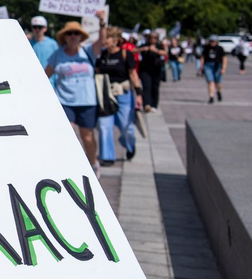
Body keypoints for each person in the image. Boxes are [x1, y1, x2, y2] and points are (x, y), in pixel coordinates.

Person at [46, 12, 106, 173]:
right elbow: (46, 75)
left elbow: (102, 41)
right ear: (64, 37)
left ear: (81, 36)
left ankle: (93, 163)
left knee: (87, 136)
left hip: (86, 101)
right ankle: (72, 165)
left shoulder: (88, 52)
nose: (73, 36)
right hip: (65, 101)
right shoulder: (57, 55)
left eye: (76, 33)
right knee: (69, 133)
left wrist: (102, 23)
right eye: (69, 33)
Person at [95, 26, 143, 165]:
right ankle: (108, 157)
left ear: (116, 40)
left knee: (125, 126)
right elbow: (97, 73)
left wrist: (139, 94)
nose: (105, 41)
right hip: (106, 94)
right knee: (105, 126)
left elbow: (133, 75)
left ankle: (129, 144)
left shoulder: (125, 54)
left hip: (123, 94)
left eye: (108, 38)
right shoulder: (101, 55)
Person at [136, 30, 167, 112]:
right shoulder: (144, 45)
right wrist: (143, 49)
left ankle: (154, 105)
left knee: (155, 87)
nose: (153, 39)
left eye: (155, 38)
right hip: (145, 69)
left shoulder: (159, 46)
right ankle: (147, 104)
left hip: (156, 69)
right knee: (146, 86)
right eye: (151, 37)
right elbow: (133, 50)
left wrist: (156, 51)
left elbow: (165, 53)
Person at [199, 36, 227, 104]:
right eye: (211, 41)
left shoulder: (220, 48)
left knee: (218, 83)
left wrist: (223, 68)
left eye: (214, 41)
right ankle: (211, 97)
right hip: (208, 65)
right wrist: (201, 67)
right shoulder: (206, 48)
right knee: (210, 81)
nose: (212, 43)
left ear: (217, 42)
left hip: (218, 65)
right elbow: (203, 57)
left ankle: (218, 92)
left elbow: (224, 58)